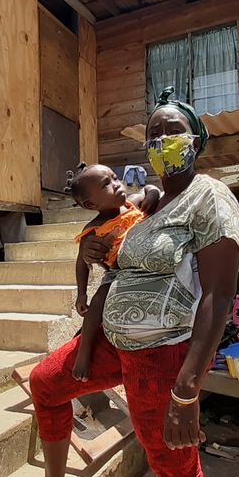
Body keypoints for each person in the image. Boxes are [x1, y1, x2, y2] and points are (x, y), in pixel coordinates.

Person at [21, 87, 239, 477]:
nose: (164, 141)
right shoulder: (148, 202)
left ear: (198, 141)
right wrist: (91, 249)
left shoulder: (210, 197)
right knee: (46, 382)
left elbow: (218, 295)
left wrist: (187, 389)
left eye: (174, 131)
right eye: (155, 134)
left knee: (174, 468)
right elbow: (112, 235)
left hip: (162, 358)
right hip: (114, 345)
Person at [65, 163, 159, 383]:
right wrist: (81, 294)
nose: (117, 184)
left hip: (143, 268)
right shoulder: (93, 230)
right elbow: (82, 263)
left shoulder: (133, 203)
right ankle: (84, 353)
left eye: (115, 178)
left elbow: (147, 190)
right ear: (91, 204)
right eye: (107, 184)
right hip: (117, 273)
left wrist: (153, 191)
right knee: (98, 303)